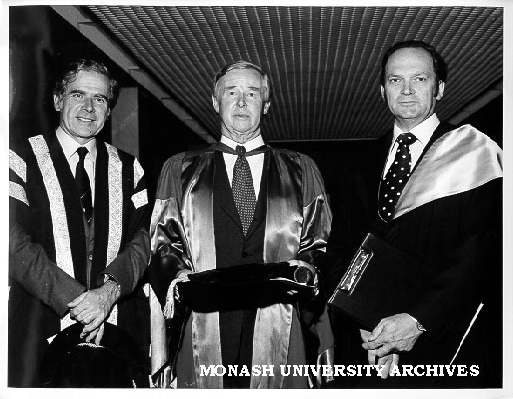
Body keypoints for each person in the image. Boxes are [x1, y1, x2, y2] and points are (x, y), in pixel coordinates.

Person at [325, 40, 503, 388]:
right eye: (395, 80)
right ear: (382, 90)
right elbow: (340, 250)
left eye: (419, 79)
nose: (406, 90)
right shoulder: (358, 163)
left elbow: (482, 252)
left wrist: (417, 320)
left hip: (446, 341)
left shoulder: (478, 153)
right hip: (366, 346)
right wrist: (362, 315)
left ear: (439, 88)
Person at [149, 61, 334, 388]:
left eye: (252, 93)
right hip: (205, 324)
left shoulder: (301, 169)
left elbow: (317, 242)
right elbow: (164, 243)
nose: (241, 101)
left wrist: (300, 272)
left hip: (279, 320)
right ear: (215, 102)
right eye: (231, 92)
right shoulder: (179, 169)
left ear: (266, 105)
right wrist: (178, 275)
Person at [8, 59, 151, 387]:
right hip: (37, 327)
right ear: (59, 100)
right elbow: (12, 241)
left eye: (100, 99)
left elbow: (144, 240)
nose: (89, 107)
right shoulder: (18, 159)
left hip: (115, 328)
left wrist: (106, 294)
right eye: (78, 95)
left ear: (109, 109)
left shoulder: (130, 169)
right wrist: (75, 299)